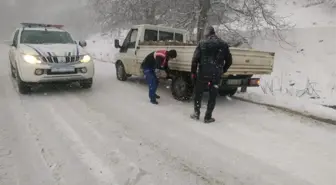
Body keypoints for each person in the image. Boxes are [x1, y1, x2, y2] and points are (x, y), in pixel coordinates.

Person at [190, 26, 232, 123]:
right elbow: (229, 61)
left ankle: (196, 114)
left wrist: (193, 72)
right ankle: (208, 117)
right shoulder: (223, 44)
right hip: (216, 74)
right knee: (213, 96)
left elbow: (194, 60)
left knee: (198, 94)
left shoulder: (202, 43)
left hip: (203, 73)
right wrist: (223, 70)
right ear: (214, 33)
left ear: (207, 33)